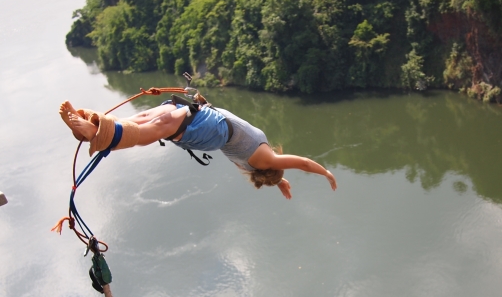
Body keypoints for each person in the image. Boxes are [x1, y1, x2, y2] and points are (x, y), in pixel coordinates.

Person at [59, 98, 337, 199]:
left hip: (213, 129)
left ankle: (96, 133)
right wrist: (280, 183)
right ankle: (97, 125)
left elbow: (301, 162)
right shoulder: (254, 166)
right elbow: (270, 174)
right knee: (150, 120)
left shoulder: (267, 158)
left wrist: (325, 173)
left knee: (159, 125)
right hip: (209, 124)